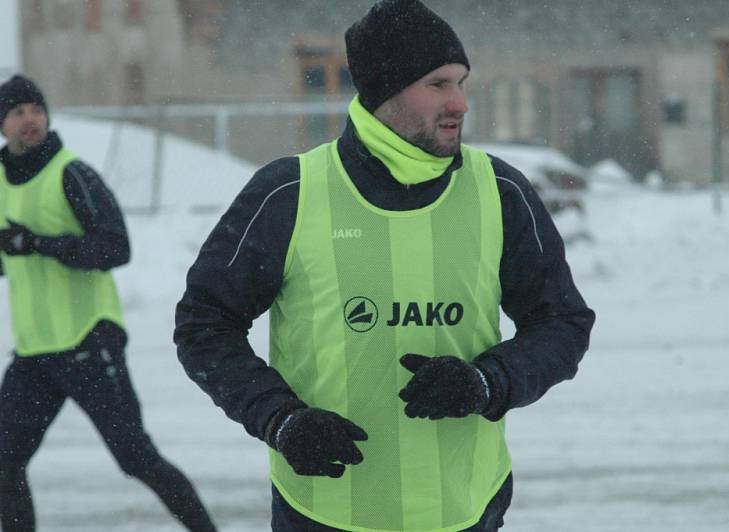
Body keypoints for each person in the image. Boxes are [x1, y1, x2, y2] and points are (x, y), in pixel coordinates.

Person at [175, 0, 595, 530]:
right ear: (384, 92)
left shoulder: (500, 190)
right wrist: (281, 420)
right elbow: (204, 325)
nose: (461, 103)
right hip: (324, 510)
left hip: (464, 508)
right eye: (439, 84)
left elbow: (562, 323)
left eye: (462, 82)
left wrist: (487, 383)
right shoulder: (290, 192)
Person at [0, 75, 217, 532]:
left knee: (136, 458)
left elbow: (115, 247)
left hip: (88, 343)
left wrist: (38, 242)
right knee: (3, 462)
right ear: (2, 124)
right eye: (17, 112)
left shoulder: (72, 173)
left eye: (35, 110)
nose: (29, 120)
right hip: (36, 353)